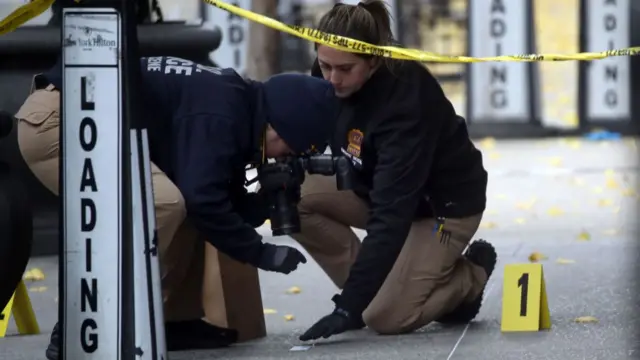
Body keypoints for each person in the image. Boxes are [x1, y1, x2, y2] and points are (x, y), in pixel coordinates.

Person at [15, 55, 339, 358]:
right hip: (60, 122)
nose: (283, 159)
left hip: (84, 119)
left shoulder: (239, 108)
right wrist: (262, 253)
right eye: (289, 151)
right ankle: (84, 320)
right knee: (163, 204)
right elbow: (204, 200)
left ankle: (172, 321)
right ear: (277, 125)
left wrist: (266, 197)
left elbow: (220, 206)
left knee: (182, 202)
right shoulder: (222, 112)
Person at [291, 1, 498, 342]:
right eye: (324, 65)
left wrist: (348, 308)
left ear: (373, 61)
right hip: (375, 187)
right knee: (293, 196)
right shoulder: (332, 69)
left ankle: (468, 277)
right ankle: (378, 286)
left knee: (385, 317)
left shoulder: (404, 105)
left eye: (344, 69)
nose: (332, 79)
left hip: (440, 209)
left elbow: (390, 216)